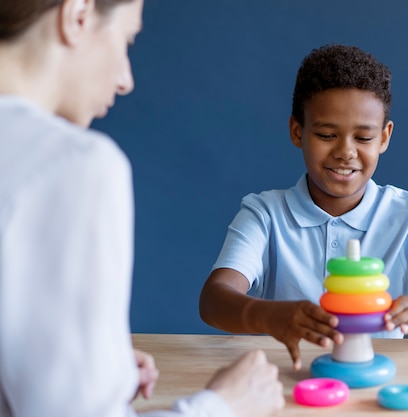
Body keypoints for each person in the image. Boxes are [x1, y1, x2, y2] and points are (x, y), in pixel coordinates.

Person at [0, 1, 284, 416]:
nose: (124, 79)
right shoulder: (74, 165)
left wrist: (90, 370)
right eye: (126, 39)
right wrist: (223, 405)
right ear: (77, 16)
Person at [199, 44, 408, 371]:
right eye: (327, 134)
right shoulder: (265, 215)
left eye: (364, 138)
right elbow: (214, 299)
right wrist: (269, 315)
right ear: (298, 131)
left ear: (384, 137)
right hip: (289, 383)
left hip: (378, 387)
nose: (345, 152)